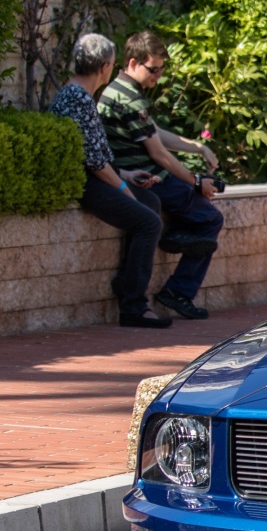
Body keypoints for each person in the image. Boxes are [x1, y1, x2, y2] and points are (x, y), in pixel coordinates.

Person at [97, 30, 221, 320]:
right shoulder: (129, 100)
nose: (158, 76)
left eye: (162, 69)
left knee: (193, 206)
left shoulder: (119, 90)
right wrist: (196, 181)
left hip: (142, 174)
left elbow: (155, 133)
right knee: (211, 218)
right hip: (146, 177)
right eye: (153, 69)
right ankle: (178, 292)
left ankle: (177, 234)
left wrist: (198, 147)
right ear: (131, 63)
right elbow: (159, 154)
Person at [48, 34, 170, 328]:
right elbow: (93, 163)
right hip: (88, 185)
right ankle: (133, 305)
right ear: (104, 67)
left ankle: (128, 283)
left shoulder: (77, 94)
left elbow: (95, 154)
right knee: (149, 222)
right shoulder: (78, 98)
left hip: (97, 177)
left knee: (151, 201)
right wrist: (123, 187)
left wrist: (126, 175)